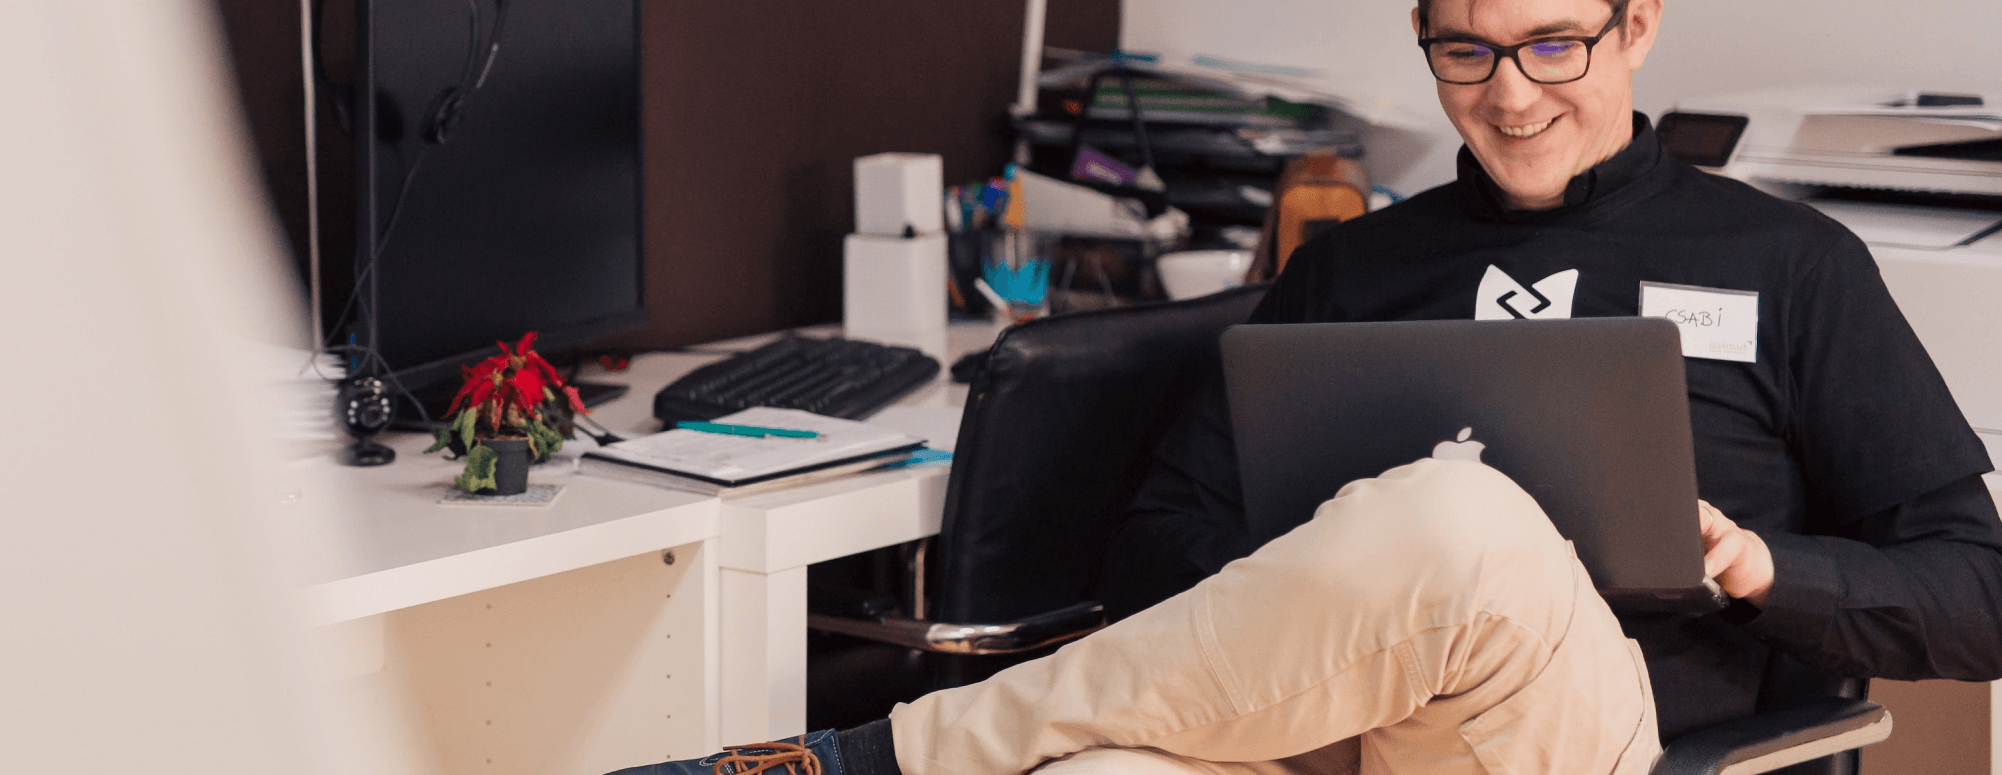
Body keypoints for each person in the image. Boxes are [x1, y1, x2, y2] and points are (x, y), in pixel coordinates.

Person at [620, 0, 2002, 773]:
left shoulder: (1789, 263)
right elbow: (1160, 543)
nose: (1509, 94)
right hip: (1325, 731)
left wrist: (1761, 567)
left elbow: (1977, 595)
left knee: (1463, 515)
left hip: (1600, 742)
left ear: (1636, 24)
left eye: (1551, 44)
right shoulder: (1352, 263)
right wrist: (1333, 564)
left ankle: (870, 761)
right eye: (1464, 51)